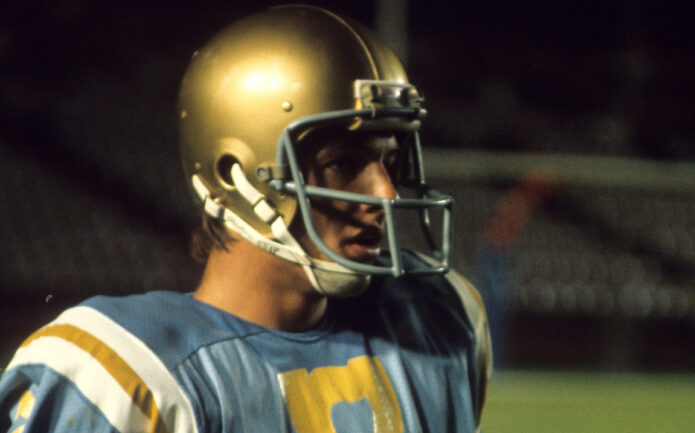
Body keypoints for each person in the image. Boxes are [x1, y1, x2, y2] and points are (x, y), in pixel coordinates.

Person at [0, 5, 491, 433]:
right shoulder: (127, 375)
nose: (384, 192)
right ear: (235, 175)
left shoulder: (440, 317)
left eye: (389, 161)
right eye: (344, 163)